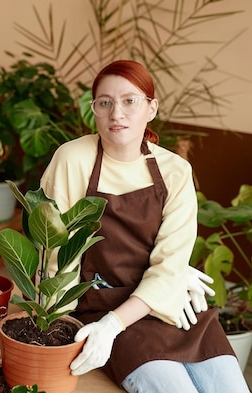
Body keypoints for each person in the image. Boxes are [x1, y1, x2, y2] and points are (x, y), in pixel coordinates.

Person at [40, 60, 249, 392]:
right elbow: (55, 259)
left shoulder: (175, 171)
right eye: (104, 102)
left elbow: (168, 267)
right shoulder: (72, 160)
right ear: (93, 109)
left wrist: (175, 271)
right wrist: (51, 329)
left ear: (151, 108)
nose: (116, 113)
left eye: (129, 101)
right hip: (103, 308)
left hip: (168, 305)